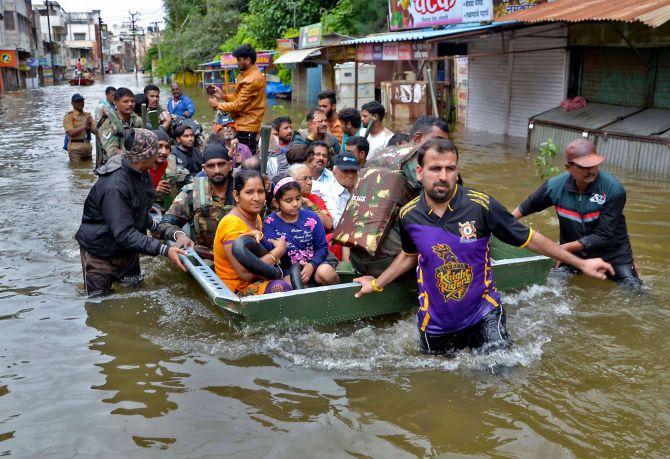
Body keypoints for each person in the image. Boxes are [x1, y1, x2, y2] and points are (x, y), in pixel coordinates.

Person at [354, 138, 613, 355]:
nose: (443, 177)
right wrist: (376, 284)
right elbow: (409, 255)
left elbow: (530, 237)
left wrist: (580, 263)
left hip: (482, 315)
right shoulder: (409, 215)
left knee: (501, 370)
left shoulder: (480, 206)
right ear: (419, 173)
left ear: (457, 170)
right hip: (435, 324)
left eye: (450, 168)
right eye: (435, 169)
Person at [511, 138, 640, 286]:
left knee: (634, 292)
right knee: (548, 288)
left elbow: (602, 236)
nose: (591, 170)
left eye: (594, 165)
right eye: (584, 166)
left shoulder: (613, 190)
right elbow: (526, 207)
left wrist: (559, 250)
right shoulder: (554, 187)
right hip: (572, 255)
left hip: (613, 255)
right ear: (568, 167)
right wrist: (503, 222)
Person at [75, 129, 187, 295]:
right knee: (99, 306)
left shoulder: (141, 173)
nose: (160, 154)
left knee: (135, 295)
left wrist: (168, 231)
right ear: (145, 155)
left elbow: (139, 213)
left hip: (127, 252)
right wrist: (164, 250)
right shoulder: (116, 186)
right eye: (156, 150)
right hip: (100, 254)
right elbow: (124, 234)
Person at [213, 170, 292, 296]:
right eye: (249, 192)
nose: (257, 198)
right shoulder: (232, 225)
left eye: (260, 192)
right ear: (236, 195)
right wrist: (278, 251)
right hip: (236, 290)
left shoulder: (255, 217)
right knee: (281, 287)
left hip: (260, 278)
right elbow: (245, 274)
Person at [159, 142, 235, 259]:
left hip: (241, 255)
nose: (217, 170)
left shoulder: (244, 188)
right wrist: (180, 235)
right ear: (204, 168)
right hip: (208, 256)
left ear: (230, 165)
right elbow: (165, 223)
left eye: (221, 164)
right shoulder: (193, 191)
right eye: (211, 166)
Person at [264, 177, 339, 286]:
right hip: (289, 269)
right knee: (288, 284)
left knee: (325, 273)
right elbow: (269, 249)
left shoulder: (311, 217)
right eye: (288, 200)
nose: (295, 204)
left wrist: (311, 265)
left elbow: (322, 246)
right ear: (276, 203)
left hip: (316, 263)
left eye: (298, 198)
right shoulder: (270, 222)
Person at [208, 44, 266, 154]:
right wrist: (224, 96)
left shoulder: (252, 79)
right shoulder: (244, 75)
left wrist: (217, 105)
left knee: (244, 158)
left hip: (247, 126)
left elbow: (238, 106)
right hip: (241, 124)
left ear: (247, 60)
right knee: (238, 155)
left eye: (239, 60)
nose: (237, 63)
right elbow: (237, 98)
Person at [98, 87, 144, 164]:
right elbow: (112, 151)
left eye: (132, 101)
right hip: (113, 166)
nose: (130, 104)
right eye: (125, 101)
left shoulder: (137, 120)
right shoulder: (108, 122)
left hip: (134, 162)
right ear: (115, 103)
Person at [148, 130, 191, 210]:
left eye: (167, 147)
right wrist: (153, 192)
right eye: (159, 146)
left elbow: (194, 186)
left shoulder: (176, 170)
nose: (164, 152)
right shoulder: (139, 170)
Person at [288, 163, 333, 232]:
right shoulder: (285, 200)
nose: (309, 182)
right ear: (292, 180)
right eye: (304, 178)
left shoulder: (315, 198)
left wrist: (309, 203)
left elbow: (329, 225)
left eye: (310, 178)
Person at [320, 151, 360, 228]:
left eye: (353, 171)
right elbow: (337, 223)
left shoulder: (361, 189)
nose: (350, 175)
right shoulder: (327, 191)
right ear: (334, 171)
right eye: (345, 171)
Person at [63, 93, 94, 162]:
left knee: (89, 170)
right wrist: (85, 126)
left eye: (82, 101)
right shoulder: (69, 116)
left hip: (88, 147)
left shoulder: (87, 116)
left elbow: (95, 130)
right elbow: (70, 132)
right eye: (77, 101)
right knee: (77, 170)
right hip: (75, 148)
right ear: (72, 103)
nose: (80, 103)